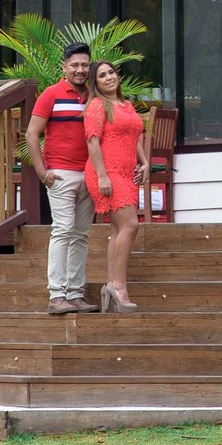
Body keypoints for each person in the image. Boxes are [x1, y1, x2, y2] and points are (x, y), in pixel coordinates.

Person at [24, 44, 95, 316]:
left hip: (88, 173)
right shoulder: (50, 94)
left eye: (85, 65)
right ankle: (57, 295)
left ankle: (76, 295)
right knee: (63, 230)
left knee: (81, 235)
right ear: (64, 67)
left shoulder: (92, 96)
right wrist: (42, 172)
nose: (80, 70)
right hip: (61, 174)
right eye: (75, 65)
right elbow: (32, 134)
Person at [83, 59, 149, 312]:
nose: (109, 77)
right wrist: (102, 176)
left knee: (119, 227)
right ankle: (118, 286)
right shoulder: (98, 106)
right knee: (130, 225)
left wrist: (144, 163)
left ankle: (112, 283)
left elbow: (134, 137)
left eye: (111, 72)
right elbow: (92, 141)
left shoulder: (126, 105)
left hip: (126, 172)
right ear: (95, 83)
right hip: (106, 172)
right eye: (102, 75)